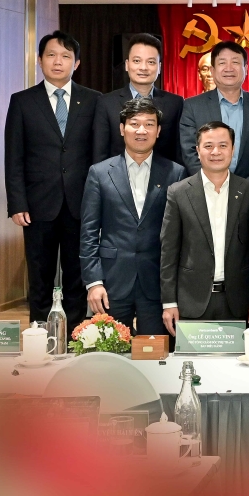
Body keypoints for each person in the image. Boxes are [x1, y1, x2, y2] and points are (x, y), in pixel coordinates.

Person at [4, 30, 99, 323]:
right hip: (37, 204)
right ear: (40, 60)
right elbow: (14, 156)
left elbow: (98, 155)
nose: (58, 62)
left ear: (76, 63)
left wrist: (98, 202)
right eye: (51, 55)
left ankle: (74, 334)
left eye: (66, 56)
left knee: (76, 274)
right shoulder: (22, 101)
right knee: (39, 272)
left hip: (80, 202)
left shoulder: (93, 100)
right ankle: (39, 330)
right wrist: (17, 203)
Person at [80, 97, 186, 335]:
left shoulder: (175, 173)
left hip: (157, 284)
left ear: (158, 131)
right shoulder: (99, 173)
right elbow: (88, 232)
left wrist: (173, 291)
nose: (141, 130)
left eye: (149, 124)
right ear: (122, 129)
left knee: (155, 352)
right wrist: (93, 282)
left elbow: (179, 236)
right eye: (134, 124)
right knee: (111, 352)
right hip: (111, 282)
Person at [159, 122, 249, 329]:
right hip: (191, 302)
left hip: (239, 303)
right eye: (208, 146)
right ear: (198, 150)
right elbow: (168, 251)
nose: (216, 152)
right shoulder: (178, 193)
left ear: (233, 149)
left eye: (223, 145)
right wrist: (169, 302)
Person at [178, 41, 249, 183]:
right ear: (212, 70)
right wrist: (211, 183)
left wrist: (247, 187)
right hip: (205, 189)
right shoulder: (192, 106)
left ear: (246, 69)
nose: (229, 68)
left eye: (235, 62)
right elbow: (189, 151)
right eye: (222, 63)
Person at [92, 33, 184, 166]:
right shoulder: (106, 103)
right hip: (118, 176)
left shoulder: (175, 103)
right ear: (127, 65)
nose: (143, 67)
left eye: (151, 62)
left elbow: (178, 153)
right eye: (137, 61)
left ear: (159, 67)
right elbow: (100, 153)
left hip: (163, 177)